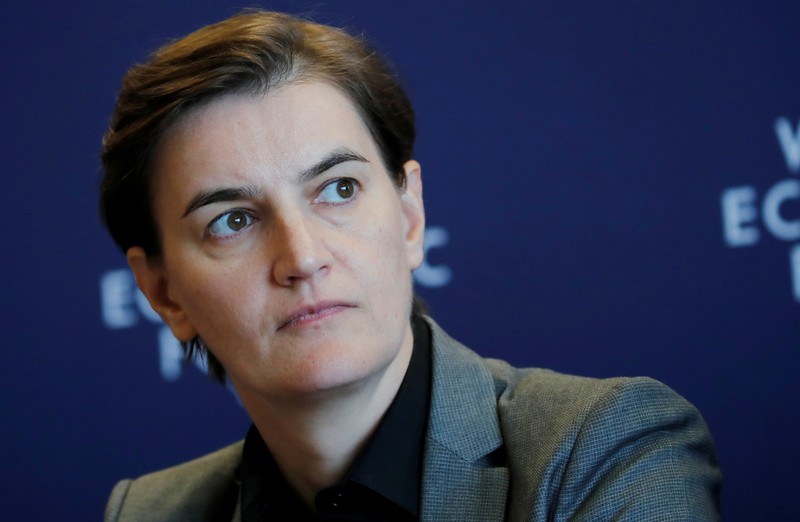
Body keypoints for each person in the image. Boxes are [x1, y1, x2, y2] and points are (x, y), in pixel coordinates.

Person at [99, 10, 721, 521]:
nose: (304, 257)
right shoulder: (149, 513)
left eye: (338, 189)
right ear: (163, 293)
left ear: (410, 216)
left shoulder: (606, 451)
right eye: (232, 221)